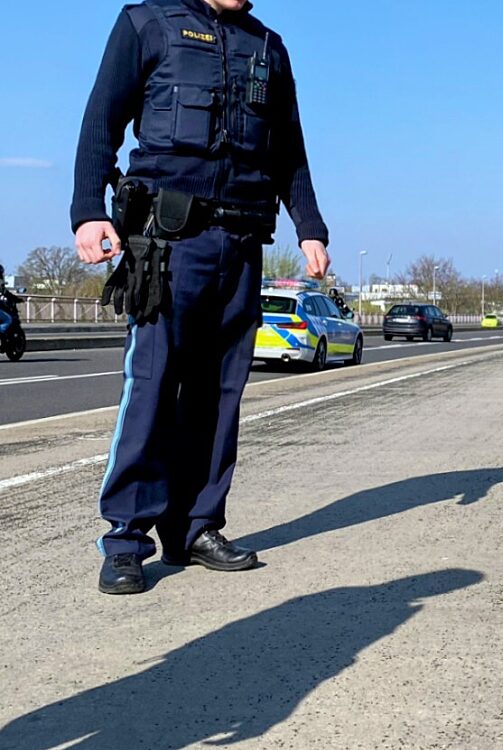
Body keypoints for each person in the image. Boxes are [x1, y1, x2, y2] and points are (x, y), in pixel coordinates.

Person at [71, 0, 331, 594]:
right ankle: (127, 539)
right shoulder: (146, 23)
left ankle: (195, 527)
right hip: (166, 241)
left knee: (221, 392)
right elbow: (100, 121)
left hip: (240, 241)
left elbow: (288, 146)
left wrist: (310, 225)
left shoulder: (268, 47)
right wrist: (87, 210)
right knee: (154, 386)